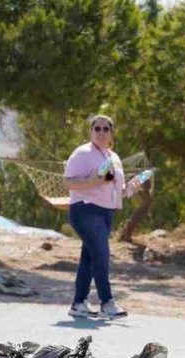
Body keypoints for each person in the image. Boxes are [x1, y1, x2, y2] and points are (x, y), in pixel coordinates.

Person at [63, 114, 143, 320]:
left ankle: (78, 304)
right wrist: (93, 181)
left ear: (111, 133)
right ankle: (107, 302)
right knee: (101, 254)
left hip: (106, 212)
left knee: (89, 257)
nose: (101, 132)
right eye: (97, 128)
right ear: (91, 131)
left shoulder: (113, 157)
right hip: (85, 209)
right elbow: (68, 182)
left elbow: (115, 189)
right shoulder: (82, 153)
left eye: (106, 129)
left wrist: (130, 189)